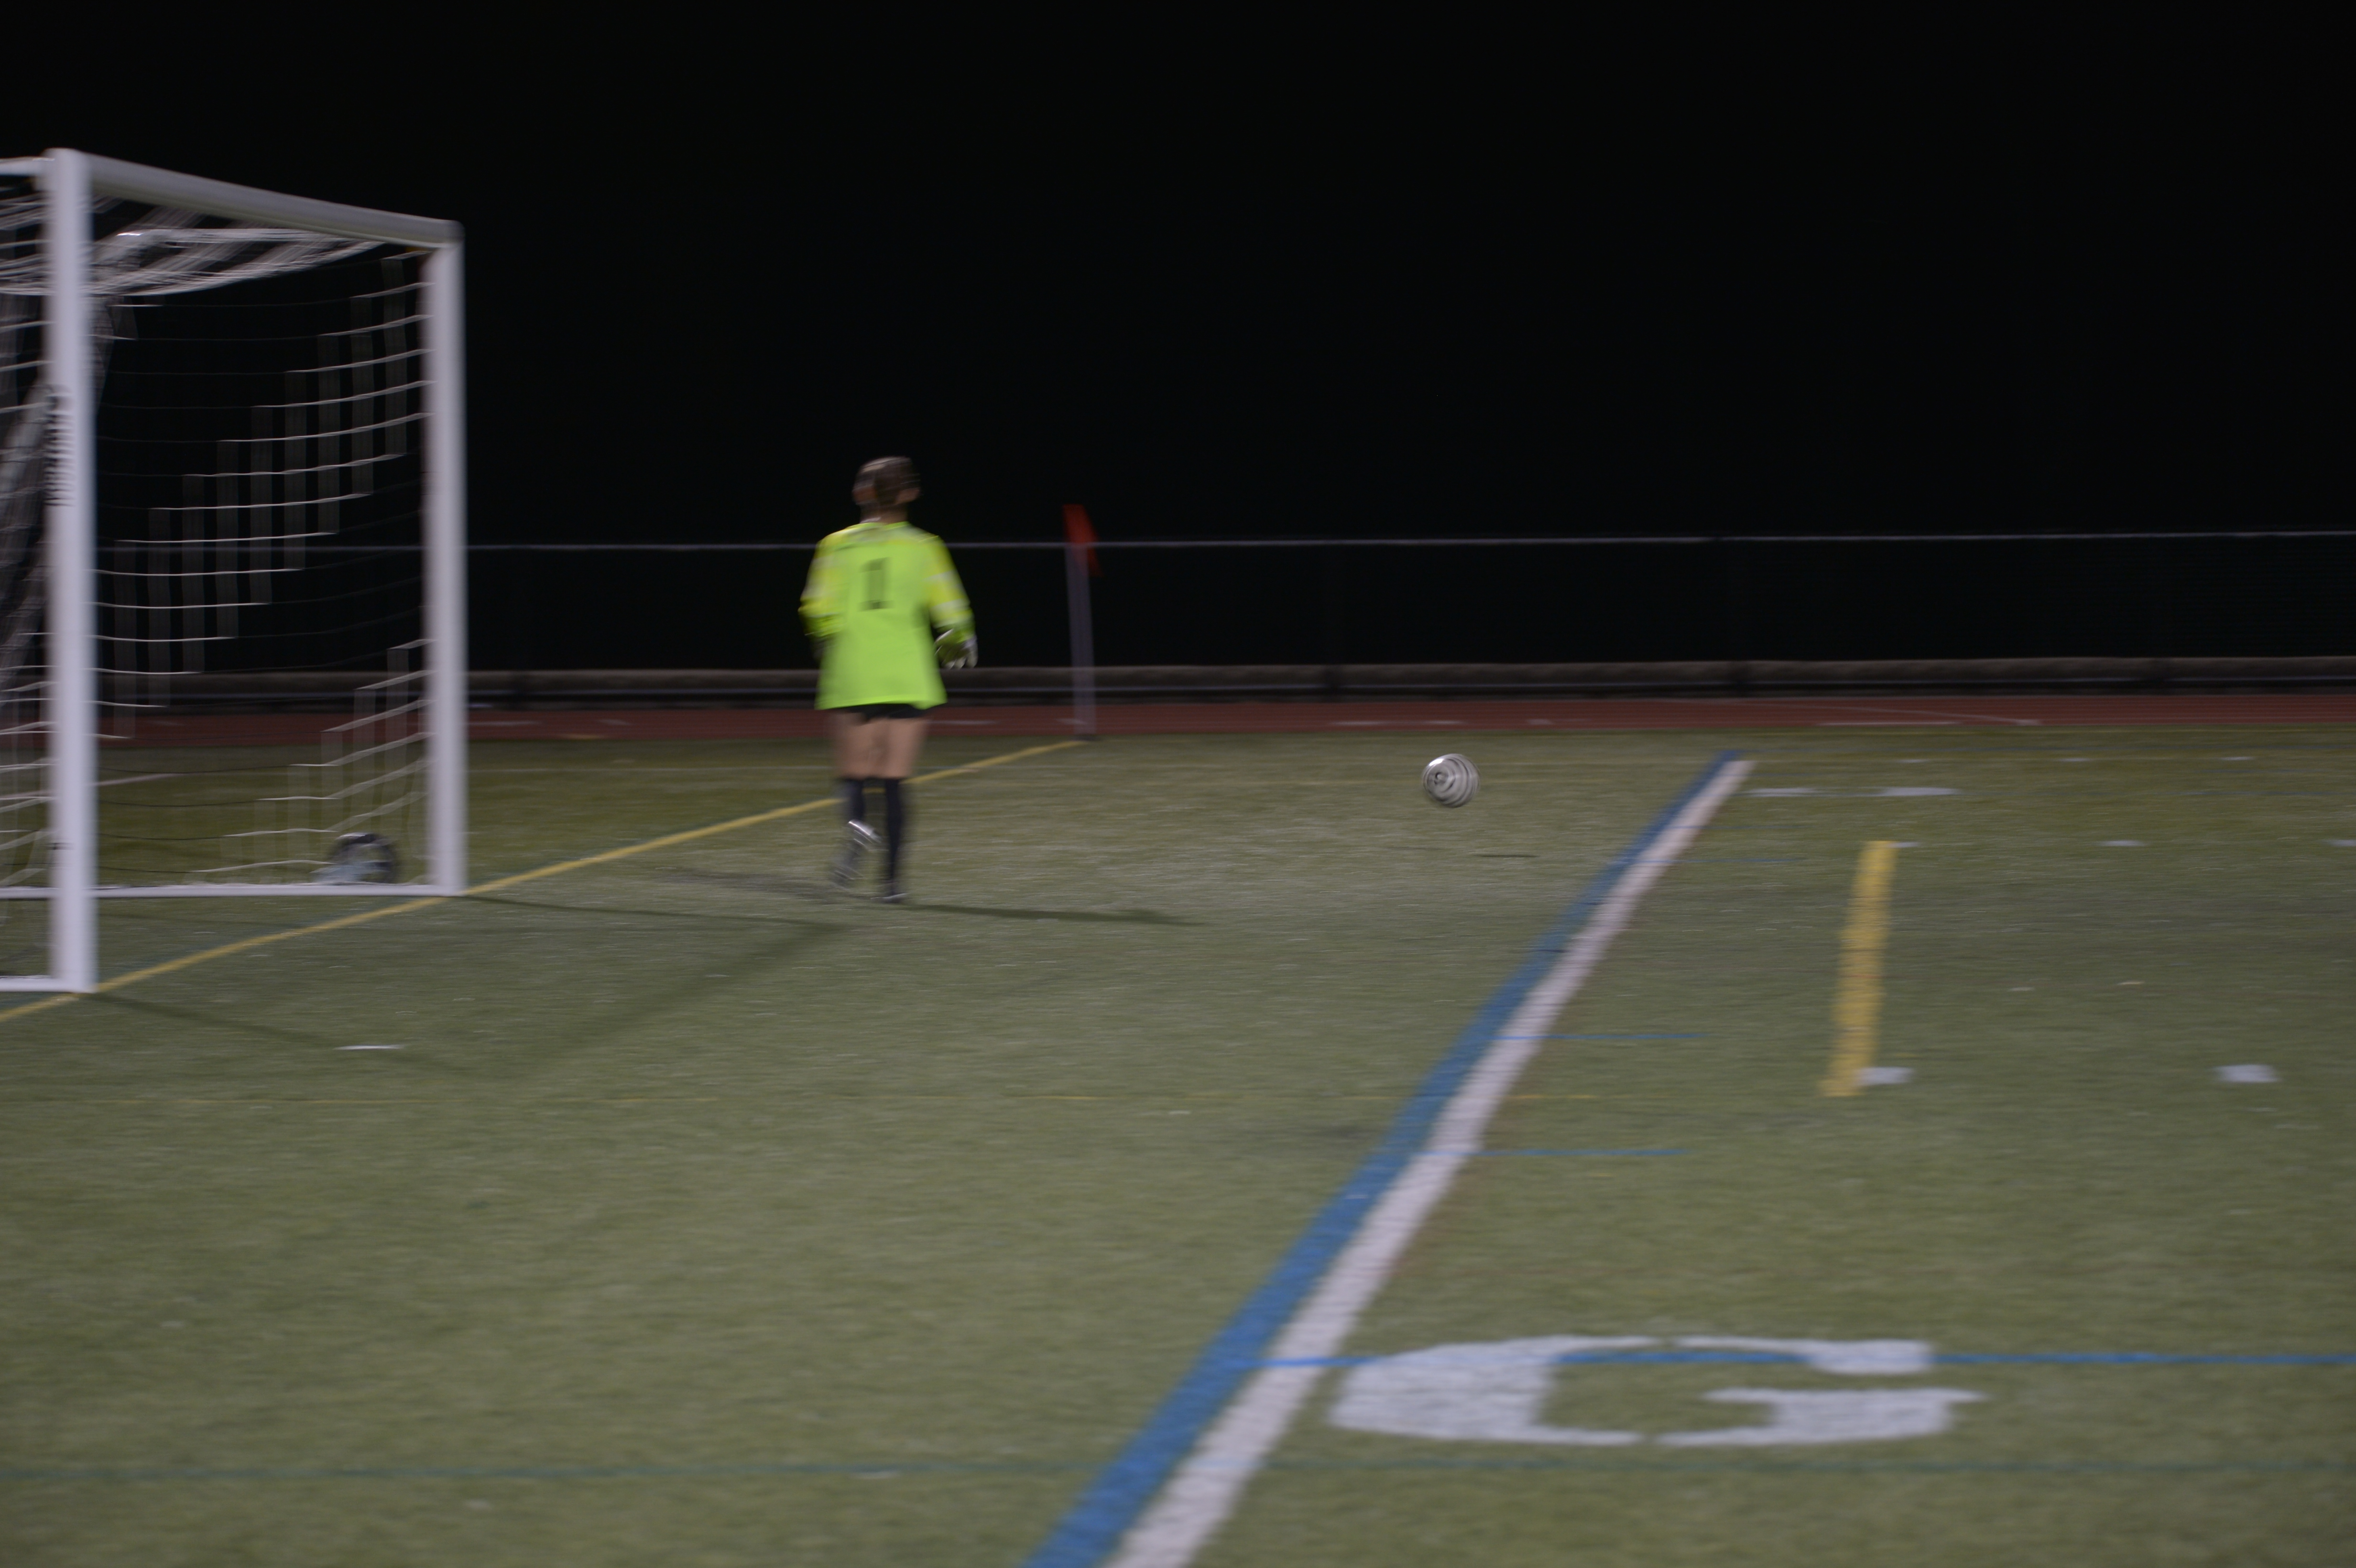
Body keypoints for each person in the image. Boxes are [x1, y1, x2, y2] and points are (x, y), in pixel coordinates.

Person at [800, 456, 976, 903]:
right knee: (895, 780)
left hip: (854, 671)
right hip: (907, 672)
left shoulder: (835, 545)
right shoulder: (925, 546)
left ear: (862, 494)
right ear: (910, 493)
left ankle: (860, 827)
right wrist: (958, 639)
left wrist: (825, 638)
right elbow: (952, 610)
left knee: (855, 775)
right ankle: (893, 885)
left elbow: (817, 608)